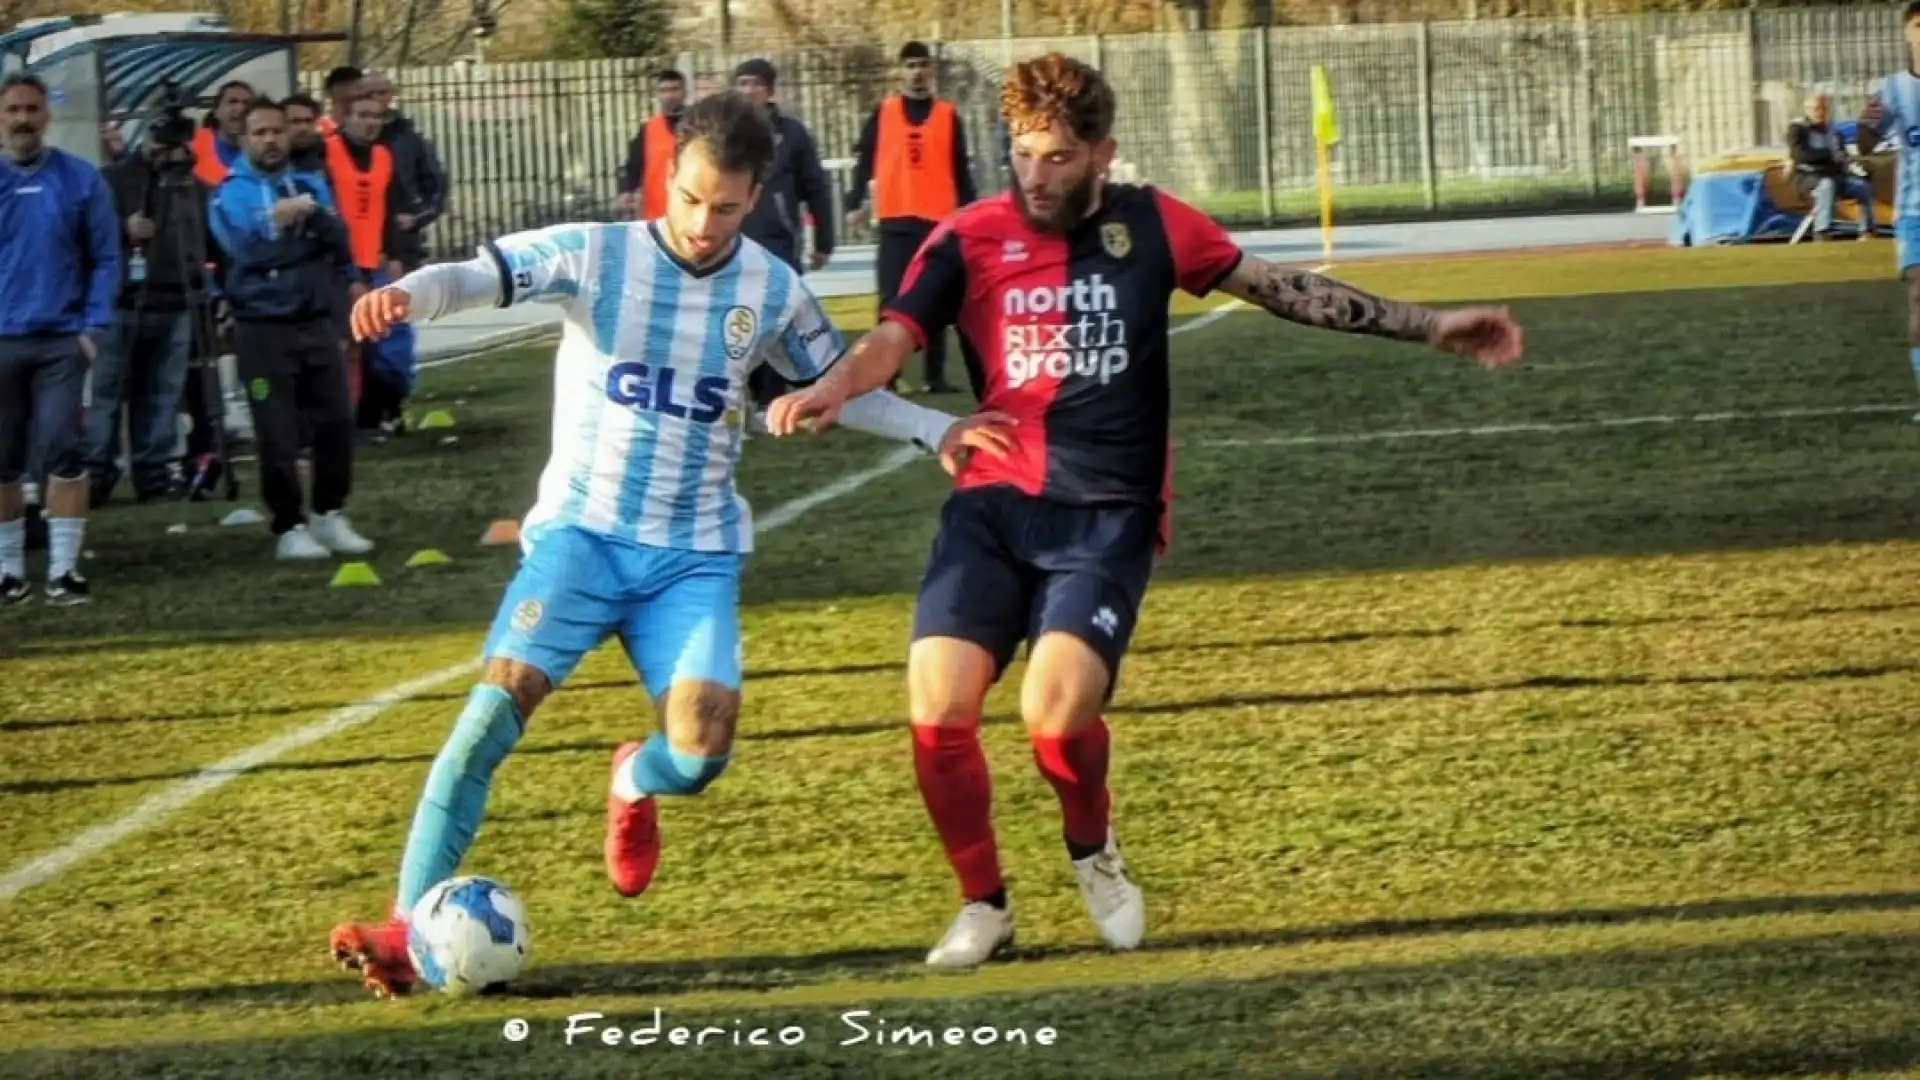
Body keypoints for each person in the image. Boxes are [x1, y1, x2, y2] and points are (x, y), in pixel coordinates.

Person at [767, 53, 1524, 970]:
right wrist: (834, 390)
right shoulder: (969, 236)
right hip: (994, 503)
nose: (1035, 176)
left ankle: (1093, 848)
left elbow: (1283, 290)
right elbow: (893, 337)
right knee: (937, 709)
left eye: (1056, 157)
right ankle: (985, 906)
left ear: (1102, 152)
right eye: (1022, 154)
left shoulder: (1155, 225)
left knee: (1054, 716)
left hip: (1109, 514)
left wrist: (1429, 326)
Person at [324, 91, 1009, 999]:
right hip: (579, 540)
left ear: (756, 194)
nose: (701, 222)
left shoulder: (770, 288)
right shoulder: (596, 254)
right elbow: (474, 275)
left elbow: (839, 386)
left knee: (700, 752)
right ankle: (408, 930)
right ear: (668, 175)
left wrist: (936, 430)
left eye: (725, 207)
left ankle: (634, 779)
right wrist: (405, 294)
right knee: (486, 721)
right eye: (689, 198)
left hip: (691, 556)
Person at [207, 99, 374, 561]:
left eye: (277, 131)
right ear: (244, 140)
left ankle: (328, 512)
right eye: (260, 133)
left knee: (337, 421)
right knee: (277, 431)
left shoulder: (309, 182)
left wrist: (309, 221)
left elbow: (338, 238)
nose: (271, 140)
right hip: (262, 330)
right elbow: (248, 250)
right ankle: (289, 524)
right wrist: (296, 232)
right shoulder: (229, 193)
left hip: (315, 321)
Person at [0, 73, 120, 607]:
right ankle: (7, 572)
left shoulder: (80, 180)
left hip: (60, 343)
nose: (22, 119)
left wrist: (91, 328)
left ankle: (64, 571)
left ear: (47, 116)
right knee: (2, 460)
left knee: (62, 451)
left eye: (31, 109)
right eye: (12, 110)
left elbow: (107, 256)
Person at [88, 123, 213, 505]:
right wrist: (122, 229)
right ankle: (96, 475)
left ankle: (153, 476)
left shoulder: (193, 186)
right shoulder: (112, 180)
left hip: (176, 301)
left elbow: (204, 240)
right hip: (122, 301)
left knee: (162, 395)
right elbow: (86, 234)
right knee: (107, 394)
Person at [845, 41, 976, 395]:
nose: (917, 72)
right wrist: (854, 201)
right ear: (900, 71)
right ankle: (886, 375)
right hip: (896, 219)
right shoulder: (884, 112)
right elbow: (865, 161)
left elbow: (961, 170)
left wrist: (970, 213)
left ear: (931, 70)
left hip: (939, 222)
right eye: (911, 65)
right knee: (891, 299)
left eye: (923, 65)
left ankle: (935, 377)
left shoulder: (948, 115)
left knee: (939, 296)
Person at [731, 59, 836, 410]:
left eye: (755, 83)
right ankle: (740, 398)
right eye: (742, 83)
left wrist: (824, 239)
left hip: (779, 243)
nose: (748, 90)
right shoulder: (728, 133)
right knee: (737, 320)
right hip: (734, 243)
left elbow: (815, 187)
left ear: (770, 90)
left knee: (777, 321)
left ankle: (771, 400)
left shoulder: (792, 134)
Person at [323, 92, 412, 431]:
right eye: (362, 115)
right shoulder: (327, 152)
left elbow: (389, 209)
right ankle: (349, 415)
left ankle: (383, 409)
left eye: (376, 116)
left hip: (374, 262)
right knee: (347, 344)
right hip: (338, 265)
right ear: (346, 117)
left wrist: (395, 255)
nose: (370, 122)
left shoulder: (382, 156)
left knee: (385, 340)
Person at [1857, 1, 1920, 413]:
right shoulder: (1893, 89)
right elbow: (1866, 132)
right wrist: (1865, 134)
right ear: (1907, 33)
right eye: (1918, 25)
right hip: (1914, 213)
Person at [615, 69, 689, 220]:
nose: (669, 96)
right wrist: (626, 191)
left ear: (684, 92)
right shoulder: (649, 128)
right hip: (656, 212)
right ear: (658, 95)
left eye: (675, 89)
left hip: (689, 210)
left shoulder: (699, 123)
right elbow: (633, 165)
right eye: (664, 91)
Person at [191, 80, 253, 188]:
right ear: (216, 111)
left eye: (246, 103)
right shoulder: (194, 151)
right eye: (232, 102)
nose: (241, 108)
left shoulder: (262, 149)